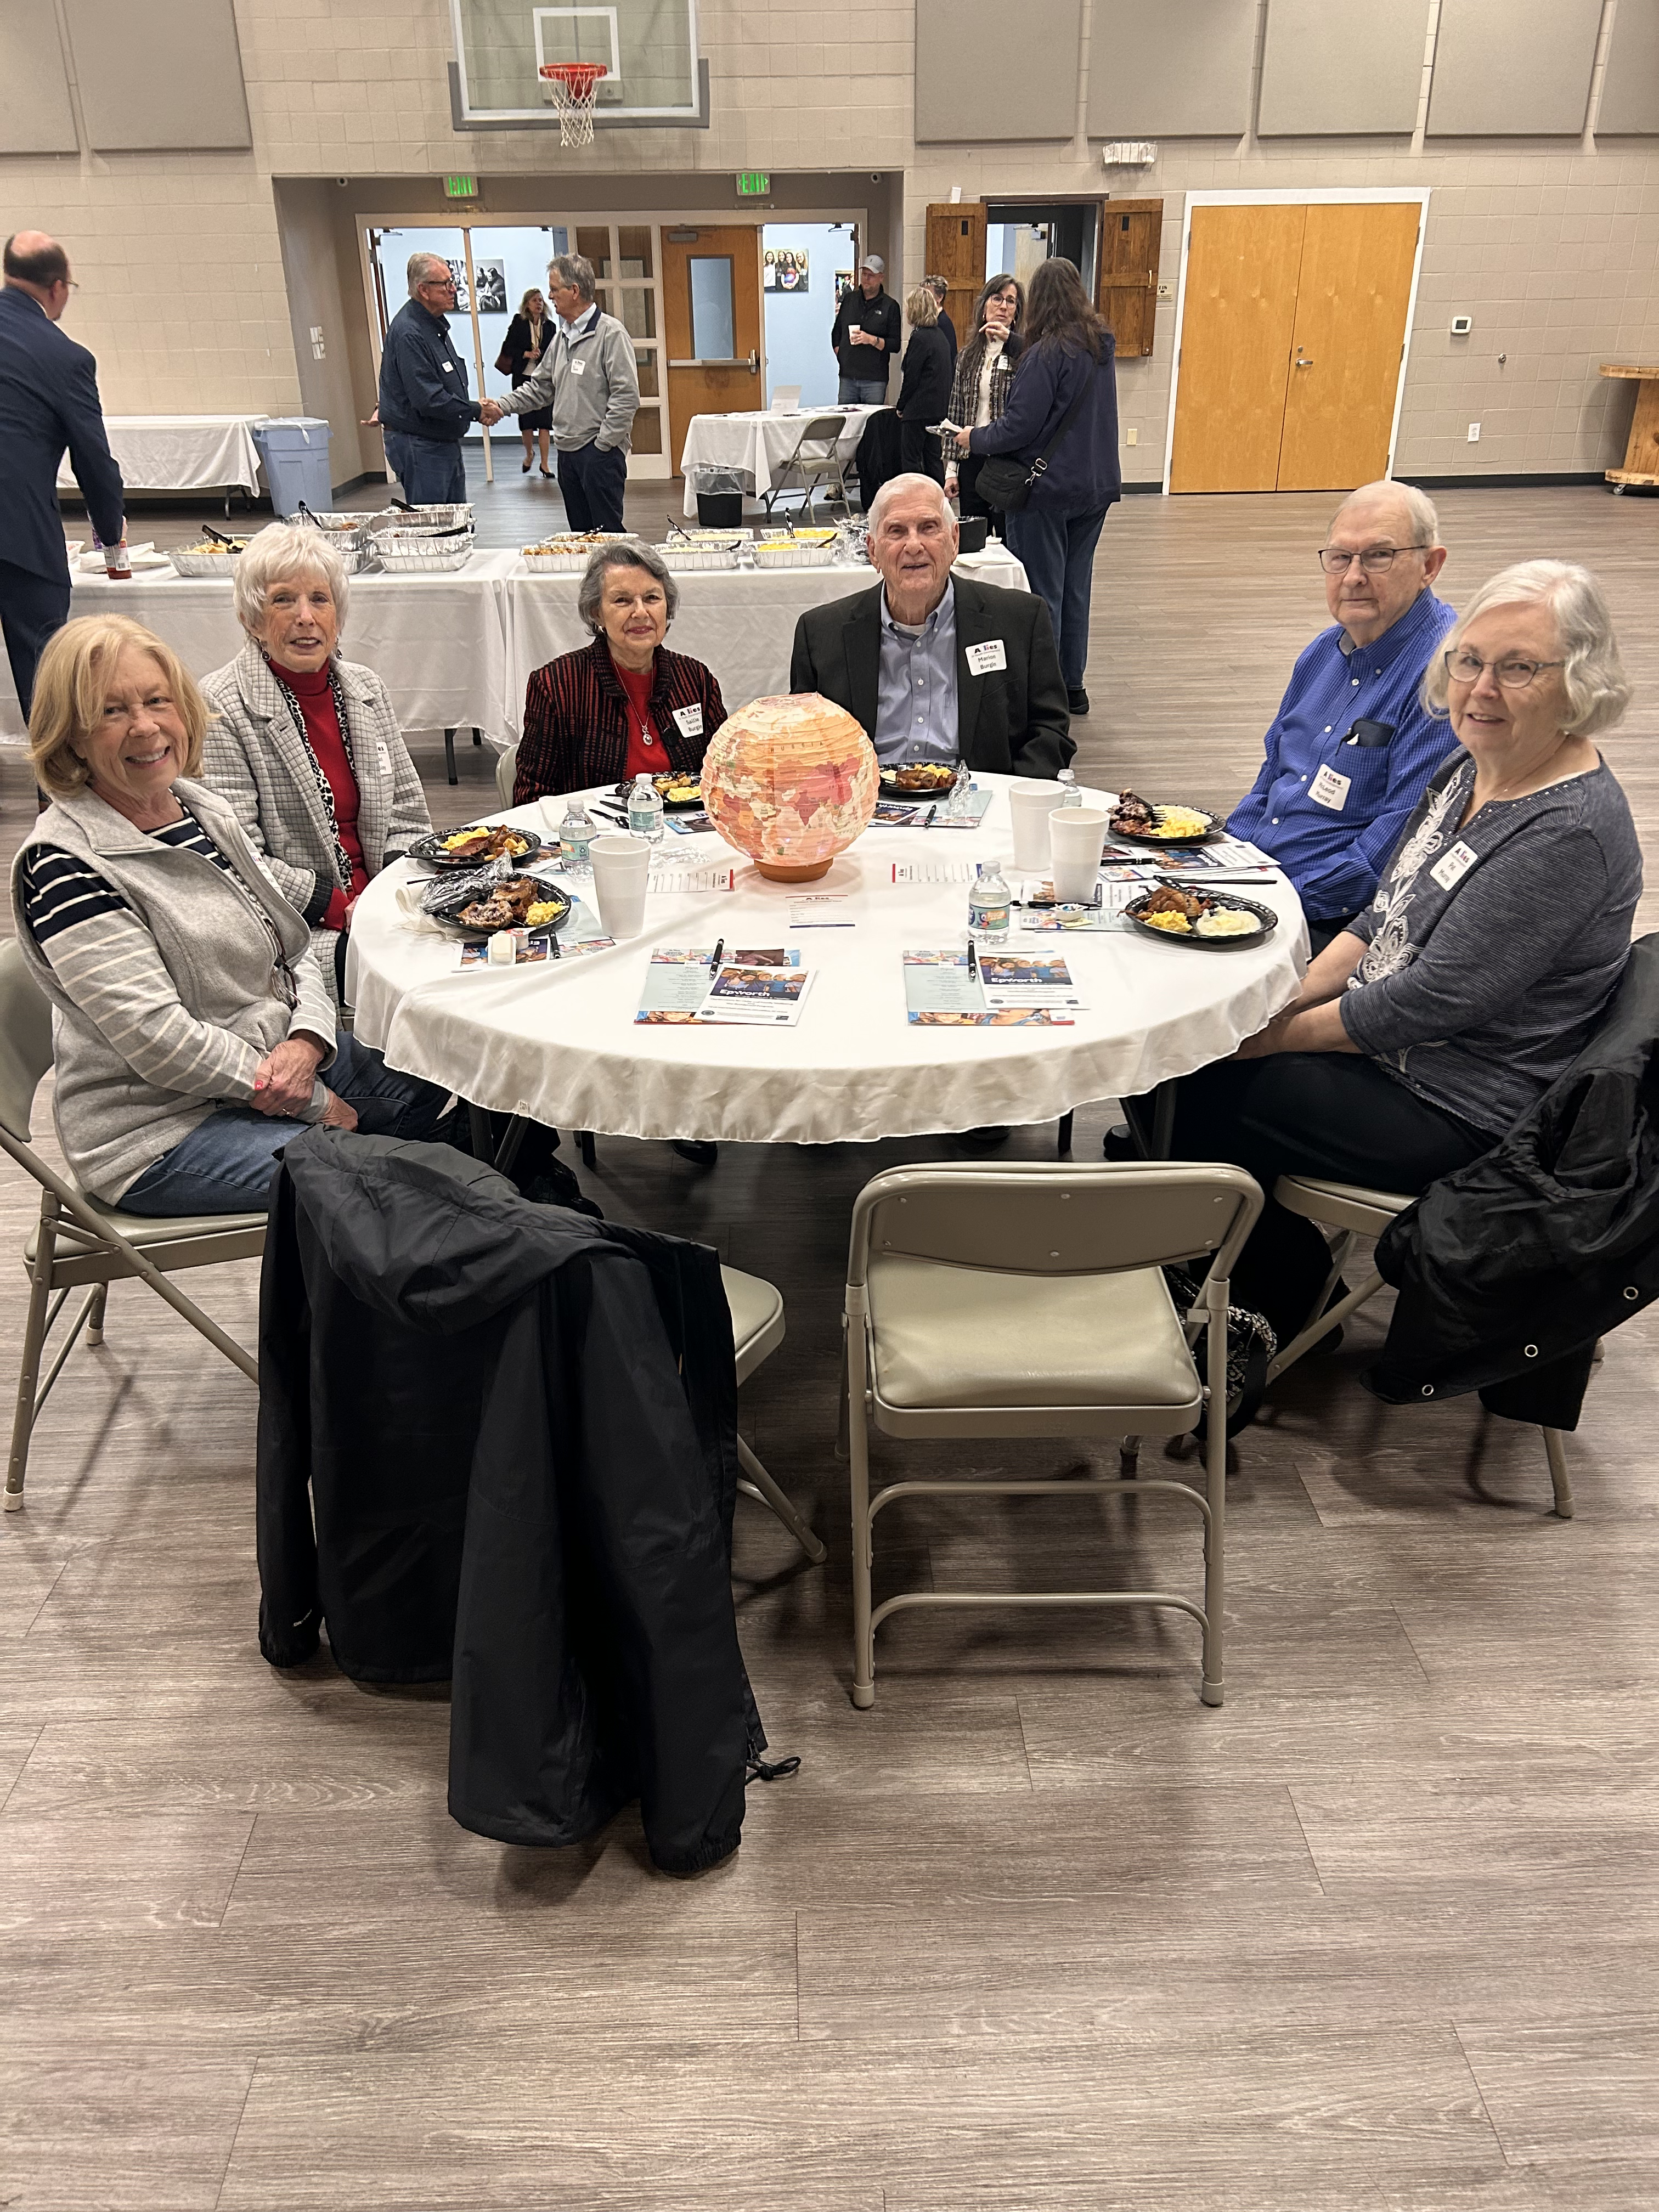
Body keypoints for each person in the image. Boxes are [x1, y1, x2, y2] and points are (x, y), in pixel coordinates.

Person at [1170, 559, 1643, 1363]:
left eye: (1518, 668)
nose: (1481, 689)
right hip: (1397, 1047)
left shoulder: (1567, 833)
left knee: (1198, 1079)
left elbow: (1427, 1003)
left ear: (1579, 684)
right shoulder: (1472, 767)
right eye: (1469, 661)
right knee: (1182, 1041)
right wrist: (1282, 996)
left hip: (1460, 1097)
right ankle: (1220, 1254)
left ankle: (1276, 1298)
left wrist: (1262, 1039)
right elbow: (1378, 915)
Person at [10, 617, 450, 1215]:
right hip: (163, 1130)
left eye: (157, 701)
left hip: (273, 1060)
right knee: (390, 1188)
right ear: (71, 736)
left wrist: (308, 1040)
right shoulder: (66, 865)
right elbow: (159, 1041)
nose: (145, 727)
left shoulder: (200, 808)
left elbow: (293, 945)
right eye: (111, 712)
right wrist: (314, 1102)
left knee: (451, 1078)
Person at [199, 522, 432, 1006]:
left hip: (388, 904)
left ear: (338, 616)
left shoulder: (366, 689)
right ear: (251, 619)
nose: (305, 617)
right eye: (283, 600)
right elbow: (237, 855)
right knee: (426, 991)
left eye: (319, 600)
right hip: (301, 927)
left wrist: (391, 895)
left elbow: (408, 814)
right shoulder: (221, 705)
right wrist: (340, 906)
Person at [1227, 482, 1457, 952]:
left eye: (1378, 556)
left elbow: (1400, 843)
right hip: (1263, 878)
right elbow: (1272, 776)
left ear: (1429, 566)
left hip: (1333, 917)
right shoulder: (1321, 653)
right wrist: (1220, 856)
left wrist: (1273, 903)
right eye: (1340, 558)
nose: (1353, 577)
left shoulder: (1447, 677)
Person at [788, 472, 1072, 779]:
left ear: (954, 541)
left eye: (928, 528)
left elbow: (1050, 731)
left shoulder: (1019, 621)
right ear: (873, 551)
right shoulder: (821, 635)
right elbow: (802, 746)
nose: (914, 545)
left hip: (981, 799)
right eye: (896, 531)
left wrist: (1009, 799)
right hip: (867, 803)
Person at [957, 256, 1119, 718]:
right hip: (1095, 487)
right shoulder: (1100, 346)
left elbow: (1017, 428)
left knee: (1042, 592)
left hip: (1046, 490)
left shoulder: (1045, 355)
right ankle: (1072, 686)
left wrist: (973, 438)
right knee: (1076, 588)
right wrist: (1015, 342)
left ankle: (1042, 692)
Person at [0, 232, 125, 723]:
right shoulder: (64, 356)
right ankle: (56, 773)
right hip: (19, 533)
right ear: (57, 288)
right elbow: (93, 460)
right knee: (45, 677)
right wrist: (111, 536)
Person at [514, 539, 726, 803]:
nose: (640, 612)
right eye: (622, 600)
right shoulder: (556, 685)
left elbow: (726, 776)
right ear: (597, 613)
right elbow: (530, 796)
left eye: (652, 598)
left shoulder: (696, 680)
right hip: (593, 828)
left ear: (667, 606)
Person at [482, 254, 639, 533]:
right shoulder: (562, 337)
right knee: (580, 537)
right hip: (567, 454)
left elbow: (626, 396)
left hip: (598, 455)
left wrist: (603, 445)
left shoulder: (611, 334)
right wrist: (501, 406)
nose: (550, 297)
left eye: (554, 290)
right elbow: (540, 388)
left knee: (609, 537)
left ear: (574, 291)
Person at [376, 253, 484, 506]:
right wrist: (477, 410)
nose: (453, 289)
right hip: (421, 445)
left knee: (455, 520)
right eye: (445, 284)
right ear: (423, 290)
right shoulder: (410, 332)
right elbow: (429, 399)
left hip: (441, 441)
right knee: (432, 524)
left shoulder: (432, 325)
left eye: (452, 281)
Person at [941, 273, 1024, 521]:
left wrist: (1011, 341)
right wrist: (951, 469)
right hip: (972, 458)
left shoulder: (1024, 357)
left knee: (1008, 536)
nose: (1003, 306)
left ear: (1016, 313)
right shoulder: (967, 357)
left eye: (1011, 301)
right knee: (975, 537)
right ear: (984, 307)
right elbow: (955, 413)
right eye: (997, 298)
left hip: (1008, 462)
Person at [895, 285, 953, 486]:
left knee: (911, 461)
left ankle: (914, 498)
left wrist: (901, 406)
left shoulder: (919, 337)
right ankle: (938, 498)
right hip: (937, 408)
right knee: (933, 459)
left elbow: (911, 378)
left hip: (918, 409)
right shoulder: (940, 336)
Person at [498, 286, 554, 478]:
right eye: (535, 300)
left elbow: (553, 352)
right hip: (523, 376)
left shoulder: (549, 326)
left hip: (543, 379)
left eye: (541, 300)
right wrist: (526, 354)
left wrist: (541, 355)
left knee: (545, 423)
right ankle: (529, 455)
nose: (539, 304)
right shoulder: (519, 323)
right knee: (527, 421)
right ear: (527, 305)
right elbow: (508, 348)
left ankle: (545, 464)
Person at [831, 255, 901, 405]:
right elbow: (837, 332)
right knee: (846, 419)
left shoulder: (890, 306)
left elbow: (895, 345)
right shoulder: (849, 300)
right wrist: (841, 354)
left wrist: (871, 340)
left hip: (874, 380)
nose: (866, 279)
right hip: (848, 378)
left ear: (881, 277)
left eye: (871, 275)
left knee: (872, 419)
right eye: (864, 274)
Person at [924, 275, 957, 361]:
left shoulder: (943, 323)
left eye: (928, 295)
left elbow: (949, 356)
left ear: (940, 297)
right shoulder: (931, 320)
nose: (924, 299)